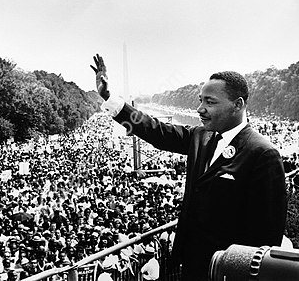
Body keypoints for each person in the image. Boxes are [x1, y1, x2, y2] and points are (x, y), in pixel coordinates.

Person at [91, 54, 287, 280]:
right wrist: (108, 97)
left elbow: (266, 236)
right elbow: (154, 130)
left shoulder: (262, 153)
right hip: (190, 265)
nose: (200, 109)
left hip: (226, 272)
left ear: (238, 105)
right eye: (200, 100)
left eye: (210, 102)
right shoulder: (200, 136)